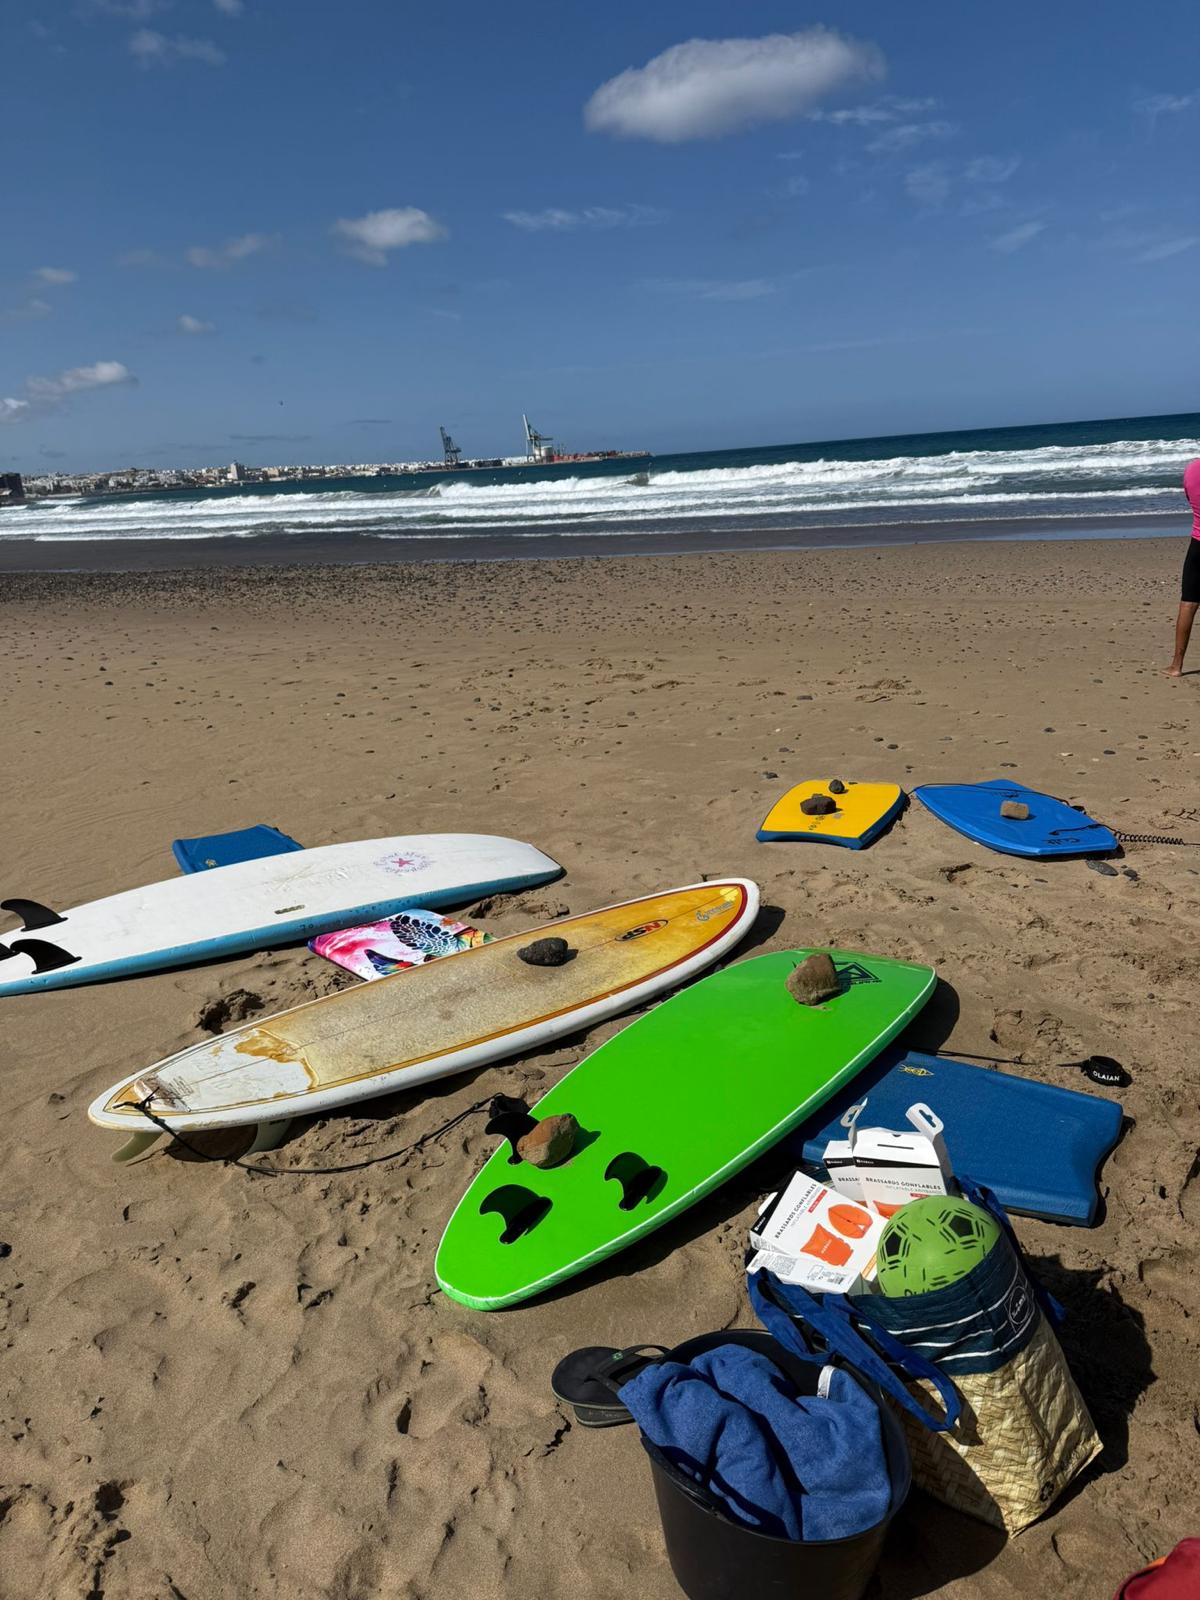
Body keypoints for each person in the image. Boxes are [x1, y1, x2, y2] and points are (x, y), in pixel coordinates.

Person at [1167, 456, 1200, 676]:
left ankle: (1176, 665)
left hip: (1198, 543)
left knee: (1188, 602)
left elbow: (1190, 497)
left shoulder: (1192, 469)